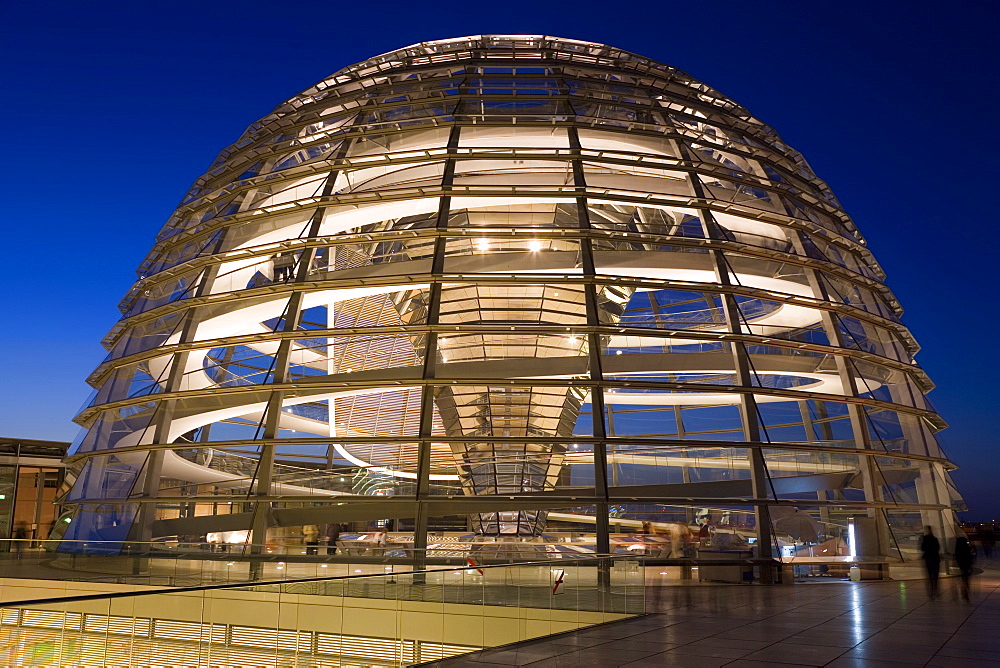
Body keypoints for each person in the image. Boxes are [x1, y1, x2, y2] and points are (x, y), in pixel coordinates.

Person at [920, 526, 941, 597]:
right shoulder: (934, 539)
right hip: (935, 558)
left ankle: (932, 589)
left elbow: (923, 548)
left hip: (929, 558)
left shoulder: (925, 539)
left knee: (930, 575)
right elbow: (938, 548)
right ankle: (935, 588)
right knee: (935, 575)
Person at [954, 535, 975, 601]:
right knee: (966, 579)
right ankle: (965, 591)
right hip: (966, 565)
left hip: (962, 564)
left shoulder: (958, 549)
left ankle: (964, 590)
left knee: (964, 578)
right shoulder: (967, 549)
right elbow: (971, 556)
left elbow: (957, 557)